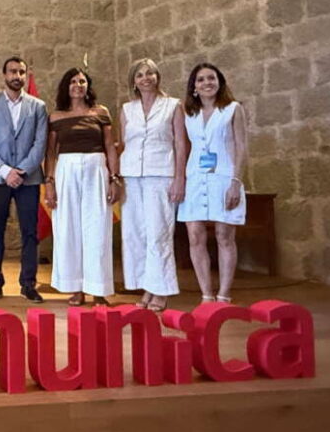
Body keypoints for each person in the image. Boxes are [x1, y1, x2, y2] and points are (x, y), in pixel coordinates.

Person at [44, 68, 120, 306]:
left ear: (88, 86)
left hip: (96, 169)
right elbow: (50, 153)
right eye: (73, 81)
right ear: (66, 87)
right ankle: (75, 287)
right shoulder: (56, 117)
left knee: (97, 228)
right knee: (68, 228)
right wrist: (49, 183)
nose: (78, 85)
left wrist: (114, 178)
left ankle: (98, 288)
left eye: (82, 81)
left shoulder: (100, 112)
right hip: (66, 171)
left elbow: (110, 146)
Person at [117, 58, 186, 312]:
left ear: (157, 77)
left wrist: (180, 178)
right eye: (140, 75)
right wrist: (115, 177)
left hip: (161, 175)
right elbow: (123, 144)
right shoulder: (127, 109)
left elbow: (181, 144)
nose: (145, 78)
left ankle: (161, 290)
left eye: (150, 73)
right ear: (134, 82)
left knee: (159, 233)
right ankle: (146, 286)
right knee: (136, 234)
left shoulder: (173, 106)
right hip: (131, 176)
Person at [177, 62, 248, 303]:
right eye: (201, 79)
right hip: (195, 179)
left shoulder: (232, 109)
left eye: (211, 78)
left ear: (219, 82)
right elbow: (183, 147)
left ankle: (224, 294)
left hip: (224, 178)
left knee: (224, 236)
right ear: (194, 87)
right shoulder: (189, 113)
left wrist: (236, 182)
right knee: (195, 236)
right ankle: (206, 294)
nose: (207, 83)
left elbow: (241, 147)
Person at [0, 56, 48, 302]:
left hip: (28, 179)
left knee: (30, 232)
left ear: (25, 75)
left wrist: (20, 170)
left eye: (21, 72)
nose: (17, 76)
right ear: (4, 75)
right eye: (12, 71)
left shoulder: (38, 106)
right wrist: (4, 171)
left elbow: (40, 143)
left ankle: (28, 284)